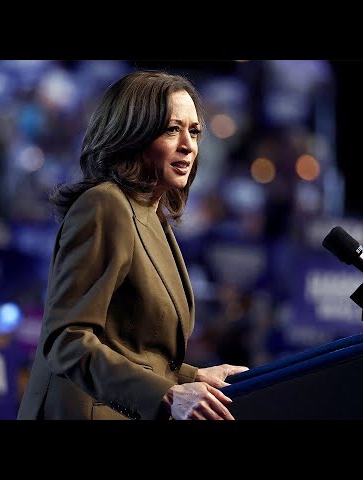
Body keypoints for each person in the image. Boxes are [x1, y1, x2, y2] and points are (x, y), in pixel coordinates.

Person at [17, 70, 249, 420]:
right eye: (172, 129)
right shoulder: (105, 204)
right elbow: (66, 340)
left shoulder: (152, 217)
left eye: (195, 131)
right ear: (134, 134)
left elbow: (131, 346)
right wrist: (167, 394)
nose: (188, 145)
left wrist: (194, 377)